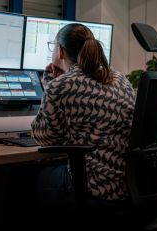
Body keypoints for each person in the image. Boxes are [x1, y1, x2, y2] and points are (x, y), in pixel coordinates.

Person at [32, 23, 136, 209]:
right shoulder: (121, 79)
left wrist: (50, 85)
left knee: (23, 177)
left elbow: (45, 139)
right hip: (127, 187)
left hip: (94, 187)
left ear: (61, 51)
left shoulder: (62, 85)